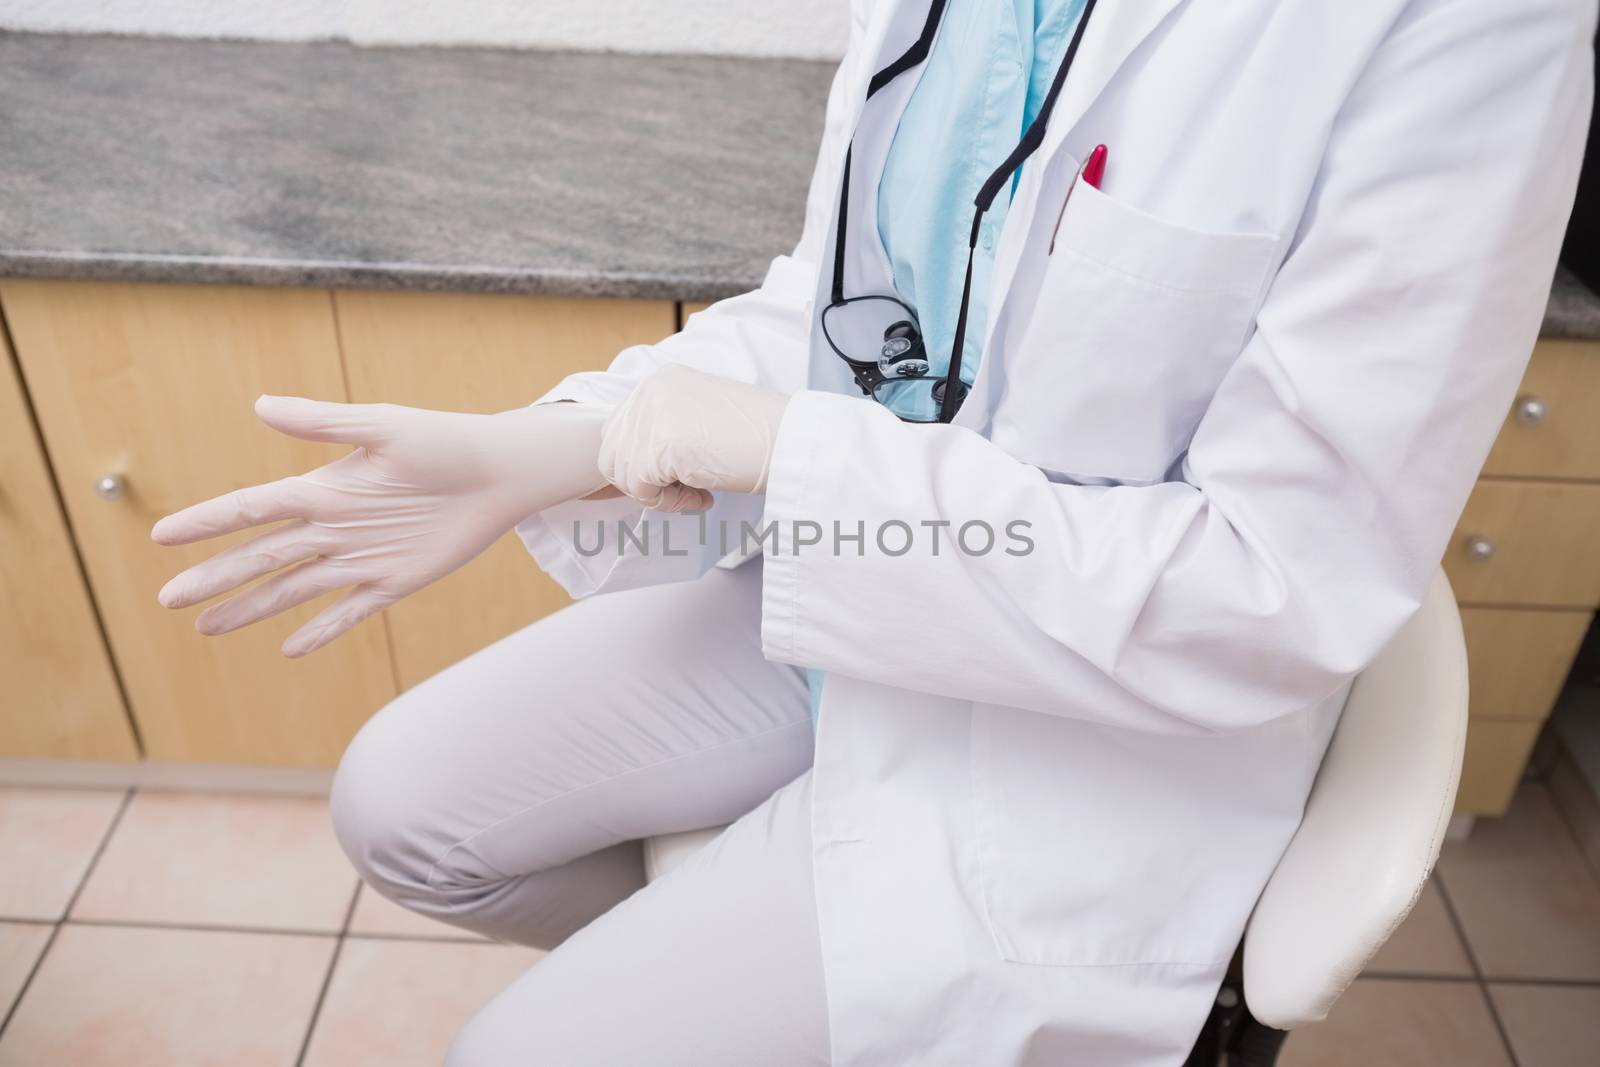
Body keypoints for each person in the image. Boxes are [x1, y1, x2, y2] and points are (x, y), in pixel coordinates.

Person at [152, 0, 1595, 1063]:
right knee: (402, 808)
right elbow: (855, 312)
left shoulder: (1463, 27)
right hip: (862, 599)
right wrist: (559, 447)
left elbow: (1270, 587)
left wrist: (784, 451)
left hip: (1099, 713)